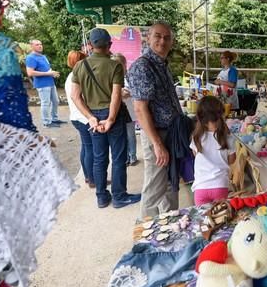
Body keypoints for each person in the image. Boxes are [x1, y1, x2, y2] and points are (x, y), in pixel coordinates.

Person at [70, 28, 141, 209]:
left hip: (93, 116)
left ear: (91, 46)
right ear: (109, 44)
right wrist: (109, 119)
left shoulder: (80, 66)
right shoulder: (114, 65)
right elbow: (116, 96)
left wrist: (91, 118)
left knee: (99, 158)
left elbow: (75, 96)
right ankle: (119, 196)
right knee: (118, 158)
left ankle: (101, 197)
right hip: (112, 115)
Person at [127, 21, 184, 218]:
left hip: (170, 133)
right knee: (154, 188)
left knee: (170, 184)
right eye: (158, 36)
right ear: (148, 37)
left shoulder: (162, 64)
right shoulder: (143, 66)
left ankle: (170, 226)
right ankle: (146, 239)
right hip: (157, 134)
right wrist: (157, 144)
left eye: (167, 37)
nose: (162, 41)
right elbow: (140, 109)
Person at [189, 96, 236, 206]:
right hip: (220, 186)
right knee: (221, 218)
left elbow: (196, 154)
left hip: (200, 187)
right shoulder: (227, 137)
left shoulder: (196, 137)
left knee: (203, 220)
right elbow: (232, 159)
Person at [65, 50, 95, 188]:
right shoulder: (78, 76)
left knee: (85, 147)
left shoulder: (70, 76)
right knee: (90, 149)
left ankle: (88, 177)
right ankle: (92, 179)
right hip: (84, 118)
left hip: (75, 117)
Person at [25, 39, 64, 128]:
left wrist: (53, 73)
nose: (40, 46)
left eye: (41, 44)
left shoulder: (43, 56)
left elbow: (47, 69)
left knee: (56, 101)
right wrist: (48, 73)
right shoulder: (30, 57)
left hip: (50, 82)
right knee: (45, 103)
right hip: (42, 84)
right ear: (31, 46)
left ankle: (54, 119)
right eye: (37, 44)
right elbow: (30, 73)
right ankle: (46, 122)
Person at [112, 53, 138, 166]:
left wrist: (124, 92)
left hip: (129, 111)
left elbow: (129, 93)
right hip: (117, 112)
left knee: (130, 135)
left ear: (124, 64)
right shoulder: (112, 77)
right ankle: (126, 157)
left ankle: (132, 156)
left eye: (119, 64)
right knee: (122, 136)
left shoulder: (129, 77)